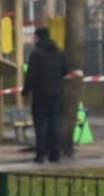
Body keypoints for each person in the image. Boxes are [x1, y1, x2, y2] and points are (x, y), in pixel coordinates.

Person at [25, 26, 71, 163]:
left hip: (40, 94)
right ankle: (55, 153)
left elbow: (31, 75)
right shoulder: (60, 53)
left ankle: (40, 154)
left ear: (38, 37)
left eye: (34, 37)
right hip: (56, 94)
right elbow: (65, 72)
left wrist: (25, 92)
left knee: (40, 124)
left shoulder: (36, 54)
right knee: (54, 123)